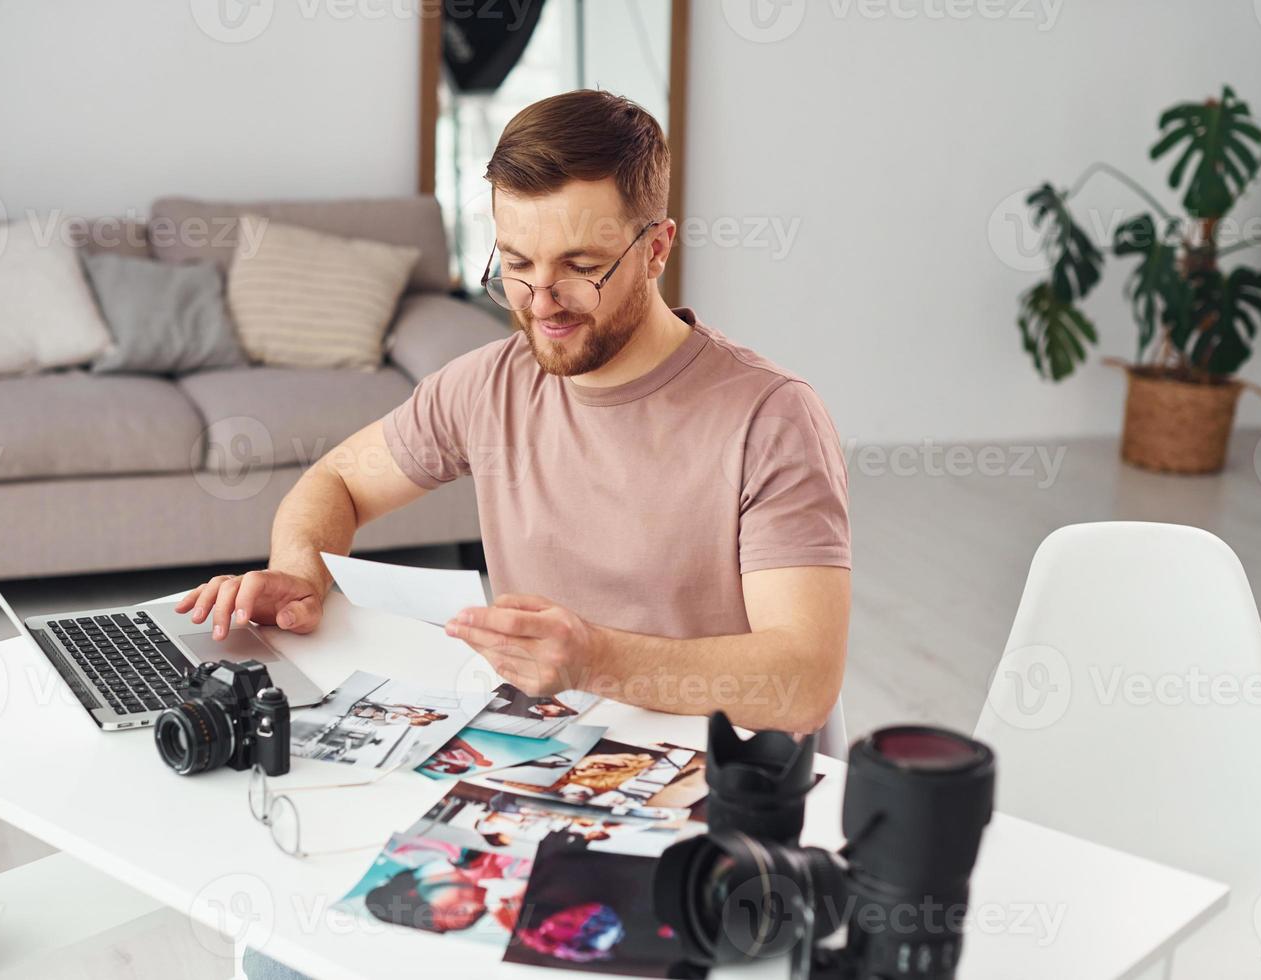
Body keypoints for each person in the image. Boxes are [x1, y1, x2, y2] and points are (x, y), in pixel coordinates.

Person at [179, 89, 850, 738]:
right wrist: (300, 573)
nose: (541, 302)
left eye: (580, 267)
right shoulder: (489, 385)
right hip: (540, 758)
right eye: (518, 265)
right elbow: (339, 482)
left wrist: (599, 661)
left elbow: (805, 682)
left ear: (656, 248)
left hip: (716, 787)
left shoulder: (770, 417)